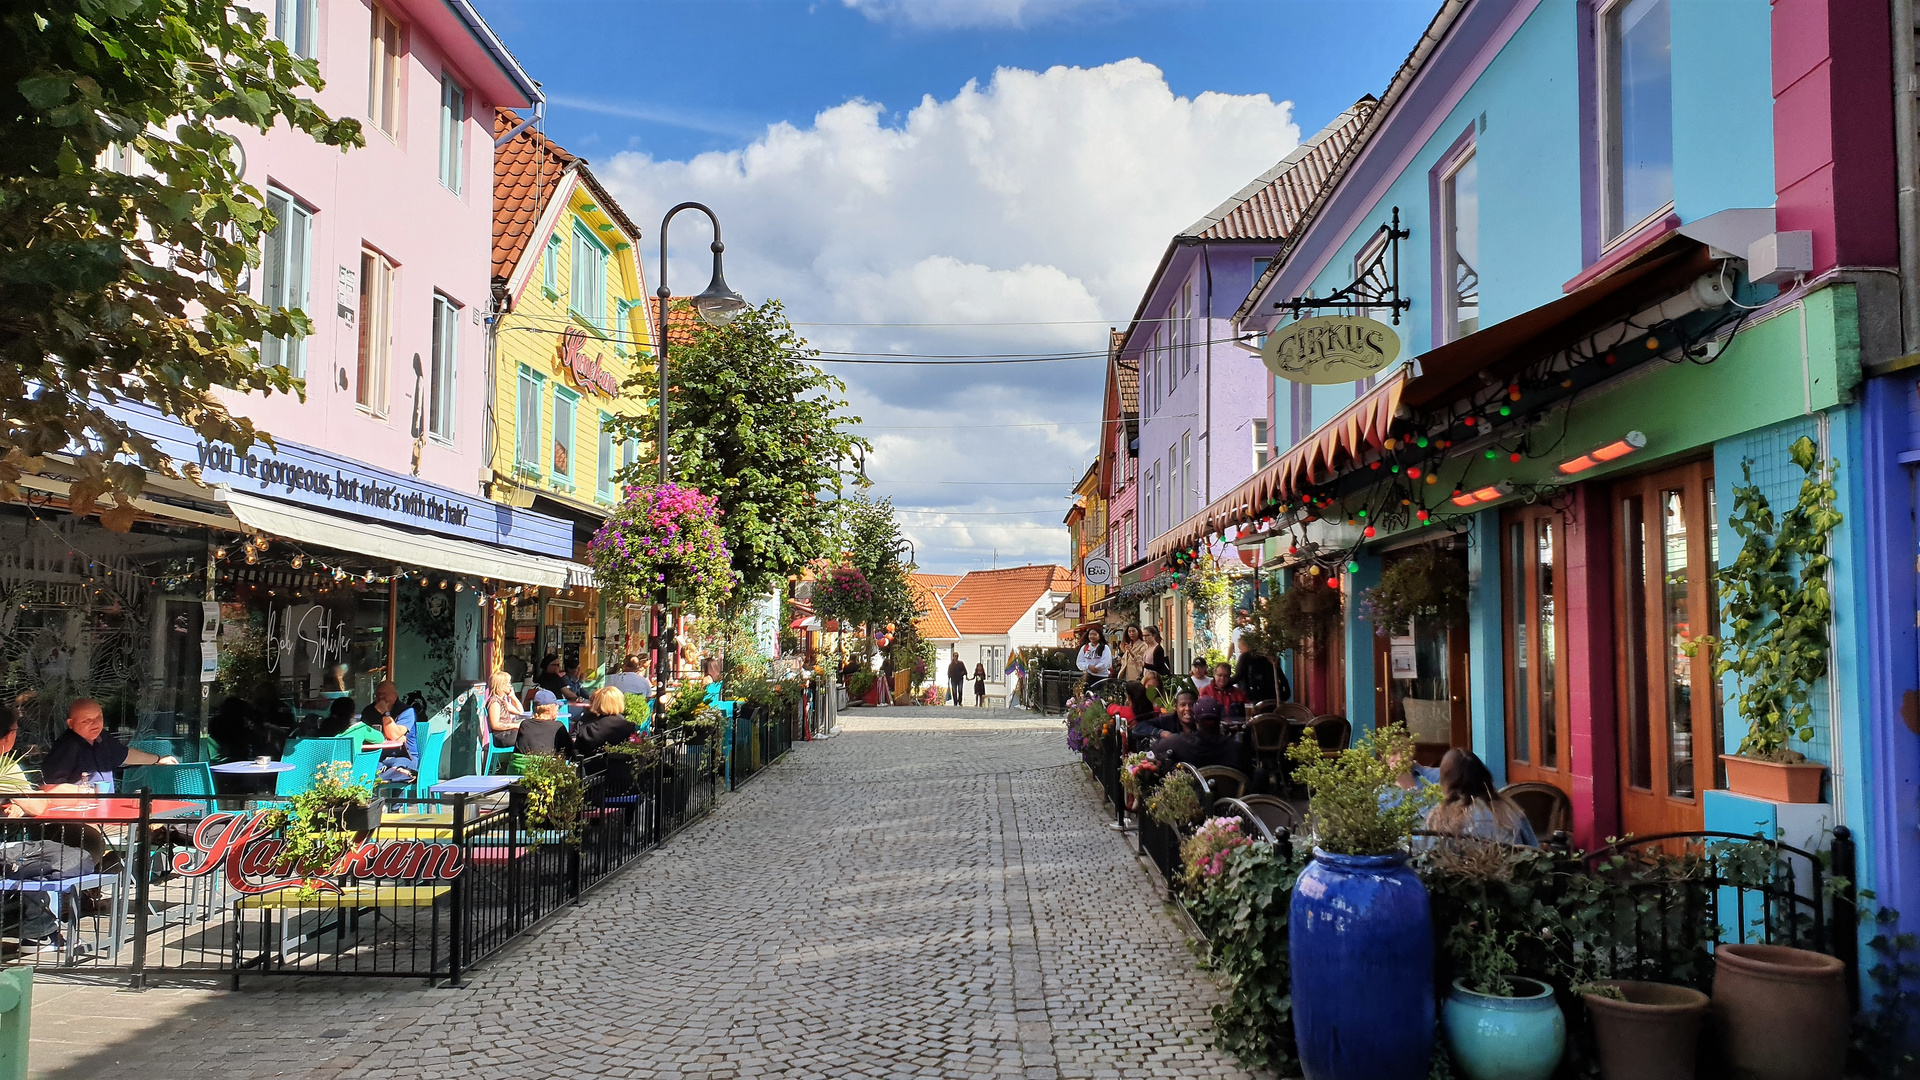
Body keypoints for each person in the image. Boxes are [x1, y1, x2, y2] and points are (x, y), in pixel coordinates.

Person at [41, 699, 176, 786]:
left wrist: (157, 759)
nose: (95, 723)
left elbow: (125, 754)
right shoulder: (67, 746)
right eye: (86, 720)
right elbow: (51, 787)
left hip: (106, 811)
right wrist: (85, 793)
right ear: (71, 723)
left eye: (99, 717)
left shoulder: (102, 737)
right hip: (79, 818)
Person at [1426, 749, 1539, 846]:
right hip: (1511, 870)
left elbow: (1428, 864)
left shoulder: (1440, 817)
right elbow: (1533, 850)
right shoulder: (1511, 811)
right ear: (1483, 775)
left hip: (1460, 871)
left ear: (1446, 781)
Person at [1155, 698, 1252, 773]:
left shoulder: (1178, 743)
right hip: (1230, 797)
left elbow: (1156, 748)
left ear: (1195, 720)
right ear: (1219, 720)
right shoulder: (1236, 749)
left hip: (1192, 798)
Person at [573, 686, 638, 756]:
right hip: (618, 765)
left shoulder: (585, 728)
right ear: (619, 703)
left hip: (591, 766)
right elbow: (634, 752)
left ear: (597, 703)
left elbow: (577, 753)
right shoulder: (628, 727)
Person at [514, 689, 573, 759]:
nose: (557, 709)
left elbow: (518, 750)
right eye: (556, 706)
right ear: (550, 709)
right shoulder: (558, 726)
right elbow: (568, 752)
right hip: (546, 767)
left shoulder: (525, 724)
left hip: (525, 767)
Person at [1234, 634, 1285, 706]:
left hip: (1253, 698)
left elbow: (1237, 676)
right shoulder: (1267, 658)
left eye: (1240, 648)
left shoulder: (1246, 658)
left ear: (1247, 646)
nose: (1240, 652)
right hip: (1272, 697)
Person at [485, 670, 527, 749]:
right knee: (527, 735)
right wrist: (515, 726)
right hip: (502, 736)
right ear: (501, 686)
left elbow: (520, 711)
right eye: (508, 683)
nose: (510, 686)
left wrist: (512, 697)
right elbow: (495, 725)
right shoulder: (495, 702)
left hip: (508, 733)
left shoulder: (503, 701)